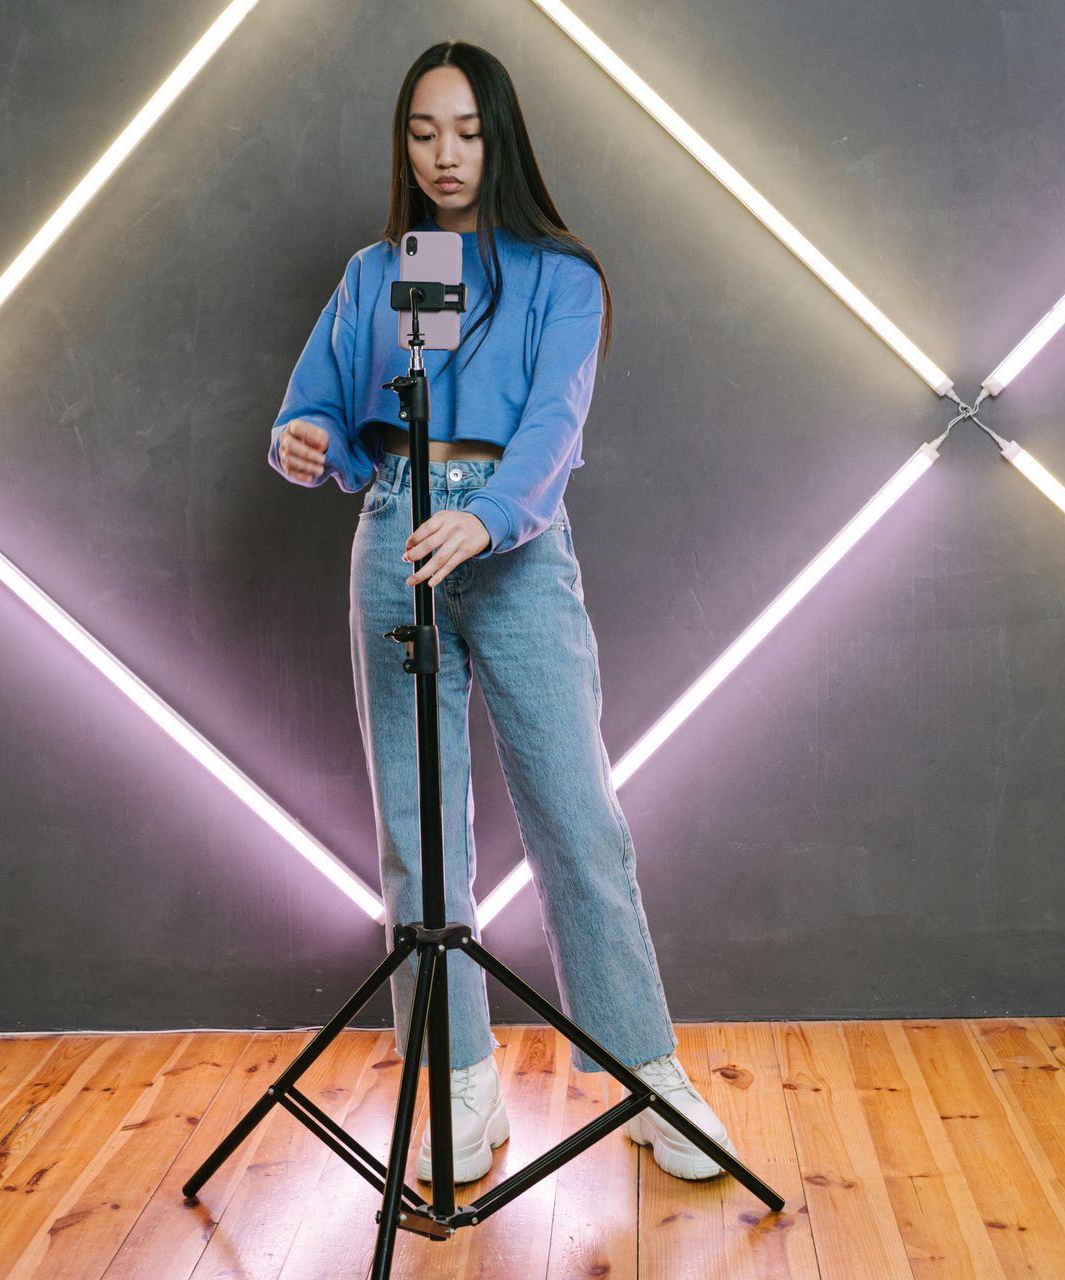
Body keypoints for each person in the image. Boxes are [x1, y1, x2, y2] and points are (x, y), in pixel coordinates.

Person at [266, 40, 734, 1186]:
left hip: (510, 551)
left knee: (579, 821)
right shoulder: (378, 273)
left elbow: (553, 426)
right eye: (424, 132)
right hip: (393, 533)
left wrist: (494, 516)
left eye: (466, 131)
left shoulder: (561, 277)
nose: (444, 155)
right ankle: (458, 1079)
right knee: (419, 845)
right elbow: (315, 400)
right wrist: (302, 439)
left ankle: (646, 1075)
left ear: (502, 136)